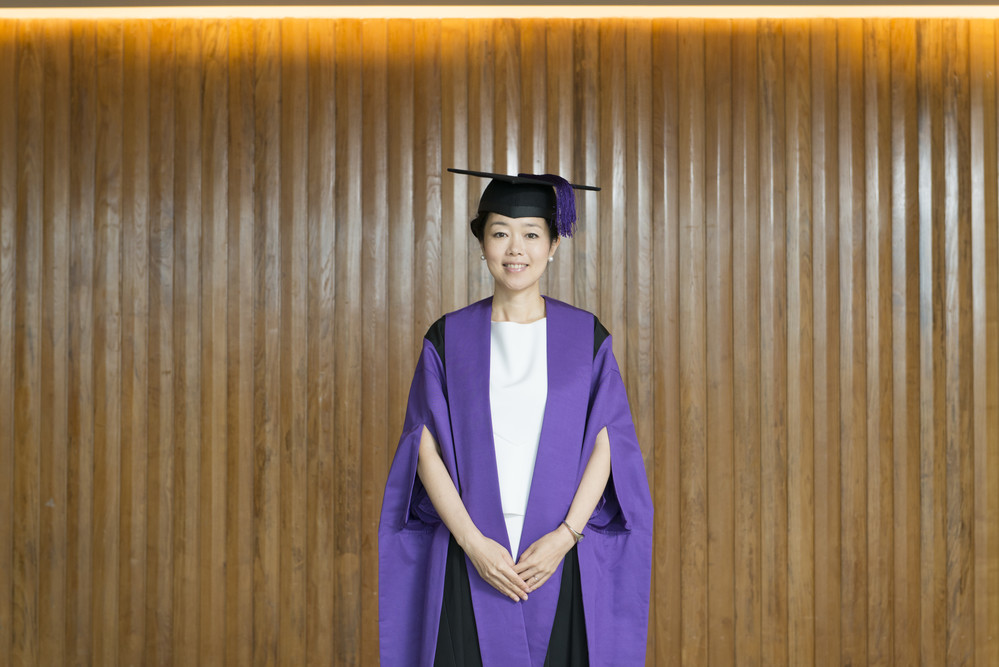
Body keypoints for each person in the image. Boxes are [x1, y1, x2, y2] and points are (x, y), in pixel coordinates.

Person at [378, 169, 653, 666]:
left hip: (554, 560)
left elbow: (609, 441)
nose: (515, 249)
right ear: (482, 242)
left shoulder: (584, 337)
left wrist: (565, 537)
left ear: (552, 246)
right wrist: (472, 544)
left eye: (531, 234)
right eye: (500, 232)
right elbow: (423, 445)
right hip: (474, 555)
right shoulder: (448, 338)